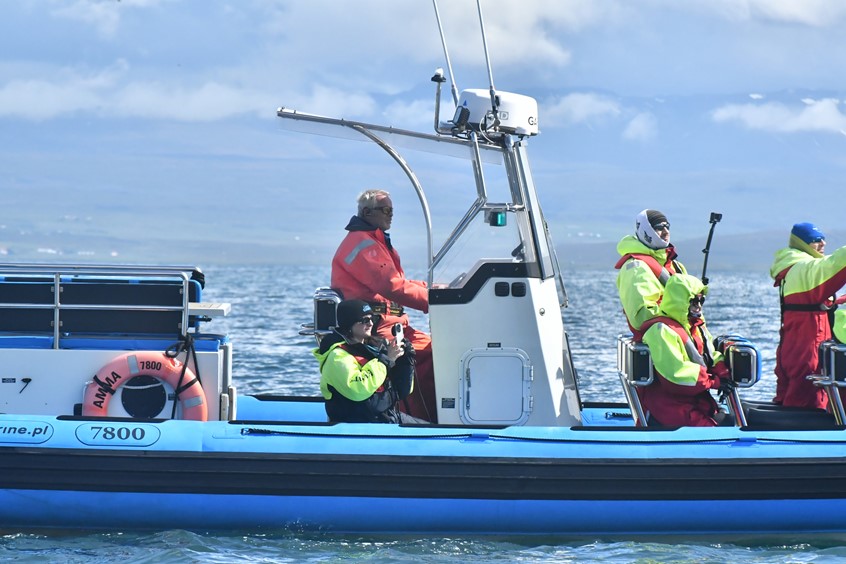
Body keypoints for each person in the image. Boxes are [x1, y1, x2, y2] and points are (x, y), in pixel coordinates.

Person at [331, 189, 437, 422]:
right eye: (386, 210)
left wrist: (440, 289)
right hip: (379, 327)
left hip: (393, 324)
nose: (391, 215)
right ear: (367, 212)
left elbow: (401, 282)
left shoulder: (375, 242)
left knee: (437, 349)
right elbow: (391, 286)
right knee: (426, 355)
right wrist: (436, 301)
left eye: (392, 210)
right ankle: (427, 422)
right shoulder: (363, 245)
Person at [640, 274, 734, 427]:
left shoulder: (694, 328)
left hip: (692, 402)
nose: (699, 306)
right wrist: (714, 382)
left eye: (701, 300)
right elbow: (676, 374)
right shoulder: (661, 331)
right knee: (717, 429)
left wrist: (723, 372)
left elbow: (710, 354)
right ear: (680, 300)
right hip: (670, 408)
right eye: (693, 300)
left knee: (731, 420)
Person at [770, 222, 846, 409]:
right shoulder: (804, 269)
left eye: (823, 239)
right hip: (809, 346)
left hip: (792, 345)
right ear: (802, 244)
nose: (822, 244)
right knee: (810, 400)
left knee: (789, 396)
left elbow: (811, 302)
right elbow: (835, 264)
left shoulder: (790, 268)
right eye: (815, 241)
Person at [314, 300, 425, 423]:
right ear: (349, 323)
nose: (371, 323)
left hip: (385, 418)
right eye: (365, 320)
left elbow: (401, 391)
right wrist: (387, 360)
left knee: (430, 429)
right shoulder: (337, 357)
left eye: (372, 319)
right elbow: (358, 389)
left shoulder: (375, 349)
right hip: (357, 424)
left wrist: (405, 361)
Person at [615, 209, 687, 341]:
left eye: (667, 227)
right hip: (662, 344)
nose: (666, 232)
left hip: (683, 340)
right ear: (646, 231)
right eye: (659, 228)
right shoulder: (635, 268)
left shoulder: (677, 266)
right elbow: (642, 318)